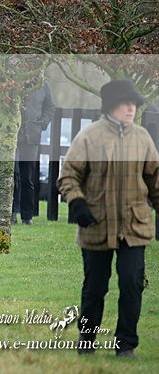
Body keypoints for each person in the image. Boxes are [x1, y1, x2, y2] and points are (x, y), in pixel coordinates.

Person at [58, 79, 159, 358]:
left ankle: (125, 344)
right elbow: (68, 175)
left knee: (131, 283)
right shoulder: (89, 136)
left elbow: (155, 181)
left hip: (134, 226)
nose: (131, 108)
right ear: (111, 105)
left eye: (134, 104)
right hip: (96, 224)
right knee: (95, 287)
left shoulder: (142, 138)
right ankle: (86, 339)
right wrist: (77, 202)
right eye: (126, 103)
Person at [0, 79, 55, 224]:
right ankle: (11, 213)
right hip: (10, 135)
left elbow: (50, 107)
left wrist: (43, 123)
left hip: (31, 136)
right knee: (12, 174)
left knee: (27, 177)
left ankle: (27, 216)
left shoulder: (42, 84)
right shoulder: (9, 82)